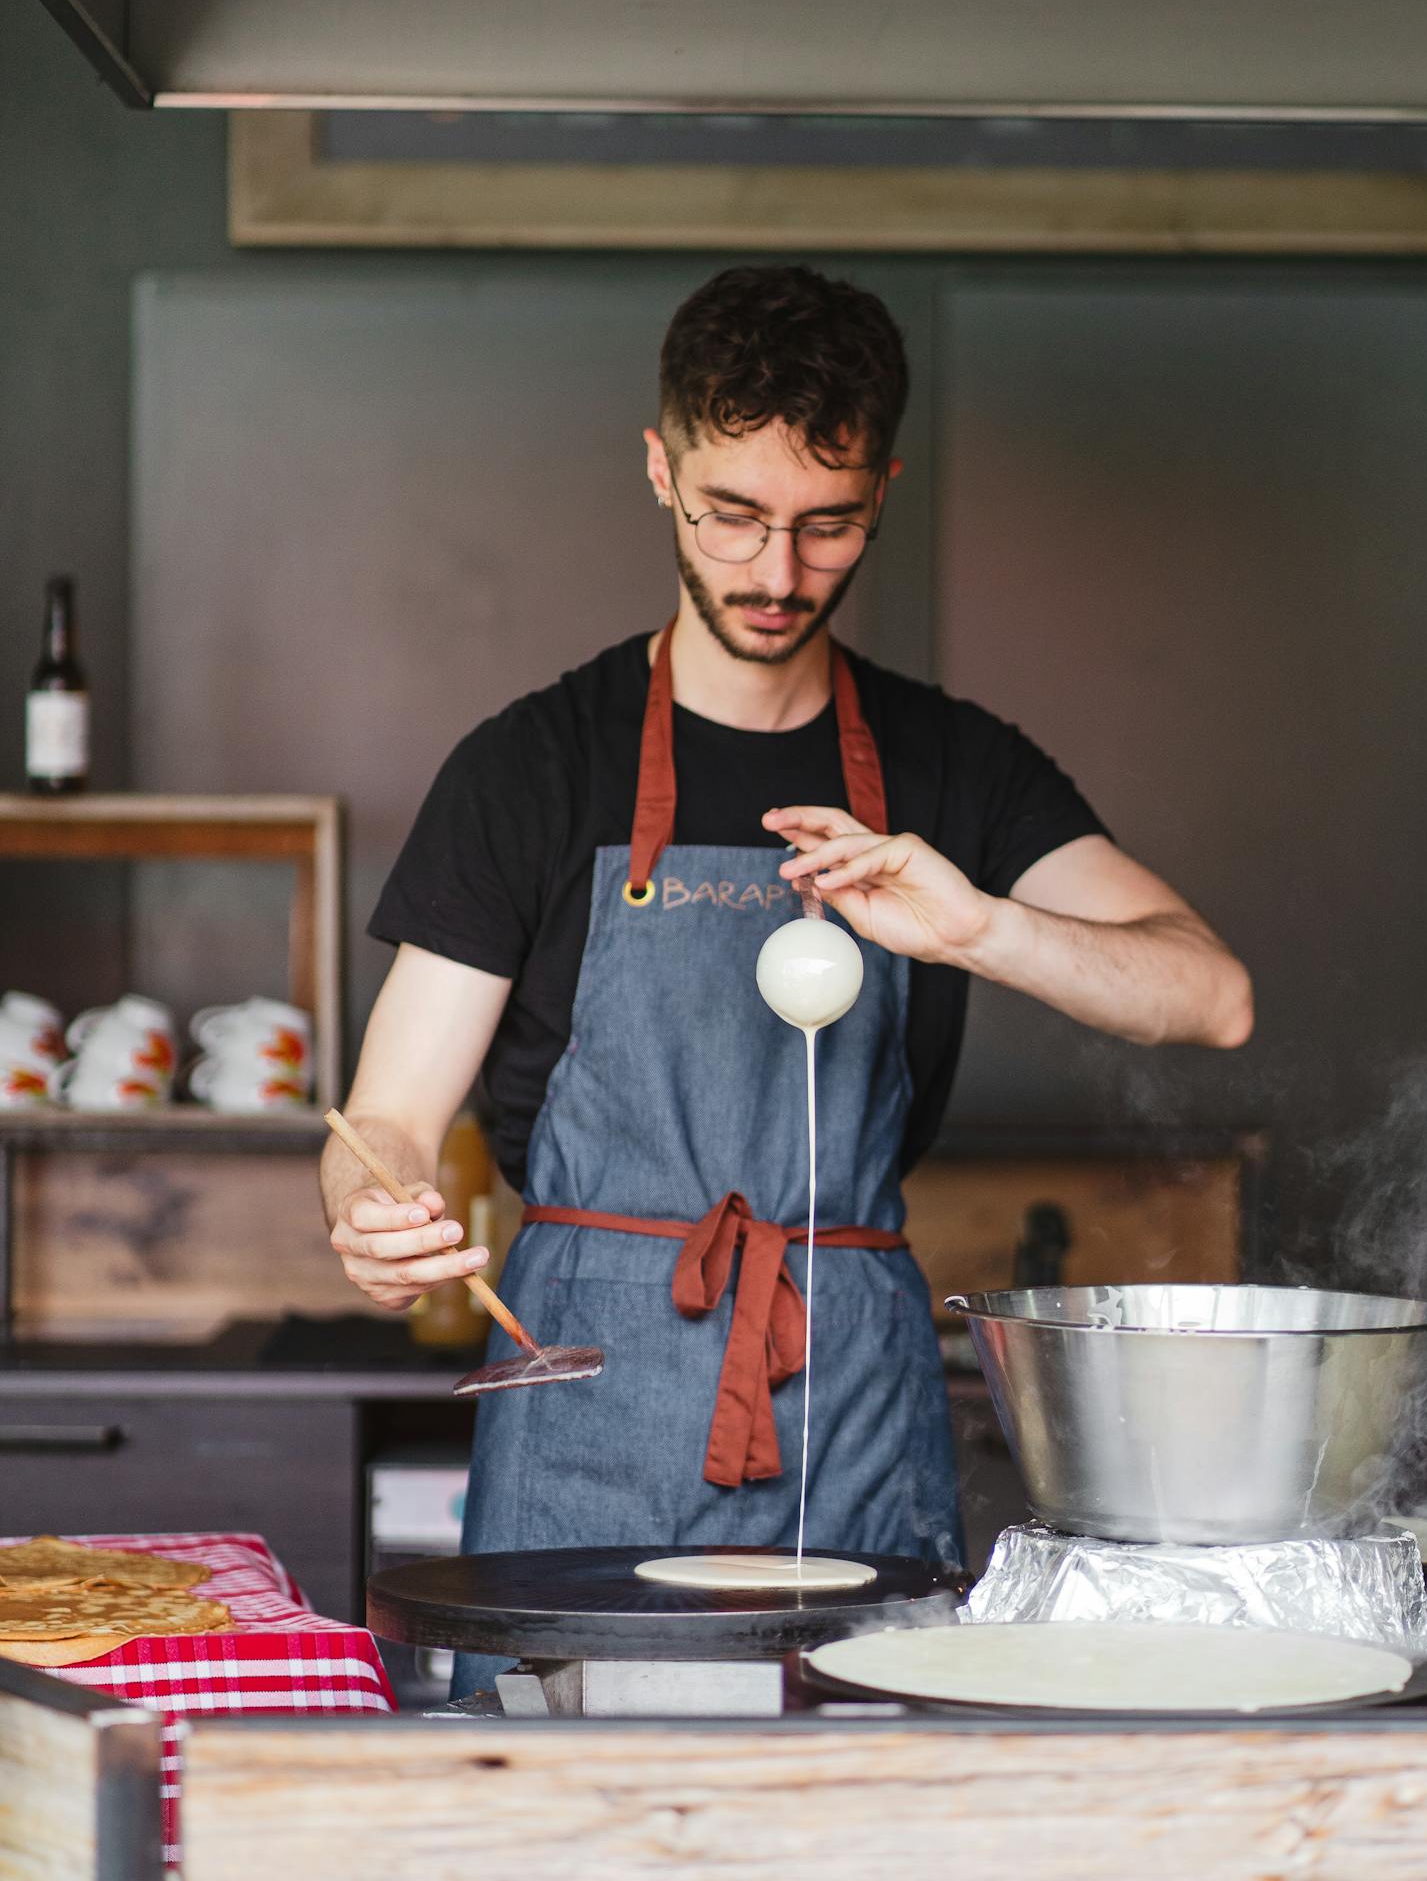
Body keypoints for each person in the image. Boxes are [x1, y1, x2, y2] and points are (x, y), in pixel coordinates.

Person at [322, 264, 1252, 1600]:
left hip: (849, 1395)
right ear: (660, 468)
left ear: (882, 491)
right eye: (733, 516)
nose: (776, 573)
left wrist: (983, 927)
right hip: (588, 1394)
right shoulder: (532, 767)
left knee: (853, 1778)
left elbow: (1211, 994)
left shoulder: (955, 768)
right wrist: (373, 1217)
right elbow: (386, 1122)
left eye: (827, 525)